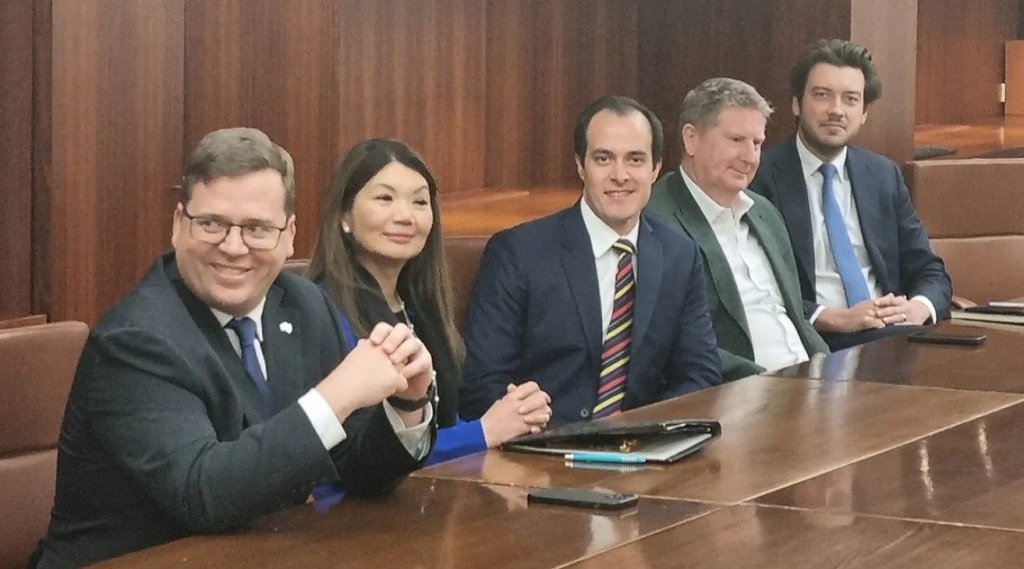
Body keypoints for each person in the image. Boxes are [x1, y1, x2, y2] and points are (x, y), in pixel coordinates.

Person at [34, 128, 436, 567]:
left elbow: (356, 469)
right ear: (177, 225)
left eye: (258, 228)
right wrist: (336, 395)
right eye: (211, 224)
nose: (232, 247)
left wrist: (406, 405)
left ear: (289, 235)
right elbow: (204, 493)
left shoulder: (303, 304)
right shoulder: (136, 340)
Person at [459, 95, 721, 426]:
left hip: (643, 452)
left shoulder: (680, 255)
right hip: (541, 451)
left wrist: (645, 432)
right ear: (580, 165)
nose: (620, 175)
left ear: (656, 168)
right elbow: (482, 385)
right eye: (603, 159)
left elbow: (700, 373)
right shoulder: (518, 252)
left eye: (636, 160)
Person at [307, 139, 552, 465]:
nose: (405, 216)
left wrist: (516, 412)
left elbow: (440, 424)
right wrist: (482, 432)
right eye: (384, 198)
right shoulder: (320, 310)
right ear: (344, 216)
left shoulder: (419, 306)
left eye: (420, 202)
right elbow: (352, 454)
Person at [750, 39, 952, 350]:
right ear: (796, 104)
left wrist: (918, 308)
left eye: (850, 99)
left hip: (893, 334)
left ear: (864, 112)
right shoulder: (760, 177)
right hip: (813, 342)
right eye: (822, 95)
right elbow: (754, 287)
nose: (836, 110)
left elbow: (929, 270)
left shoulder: (883, 175)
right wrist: (830, 317)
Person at [647, 78, 829, 381]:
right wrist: (774, 385)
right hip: (739, 396)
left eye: (757, 143)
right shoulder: (656, 219)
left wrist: (832, 371)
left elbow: (798, 320)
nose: (750, 157)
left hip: (809, 385)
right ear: (691, 139)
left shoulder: (764, 213)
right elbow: (676, 345)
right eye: (736, 140)